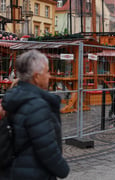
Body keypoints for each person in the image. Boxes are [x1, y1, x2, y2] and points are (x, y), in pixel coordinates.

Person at [0, 50, 70, 179]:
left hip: (15, 170)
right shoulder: (37, 105)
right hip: (35, 173)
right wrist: (63, 169)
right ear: (37, 77)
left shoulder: (12, 97)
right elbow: (46, 147)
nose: (50, 76)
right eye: (47, 72)